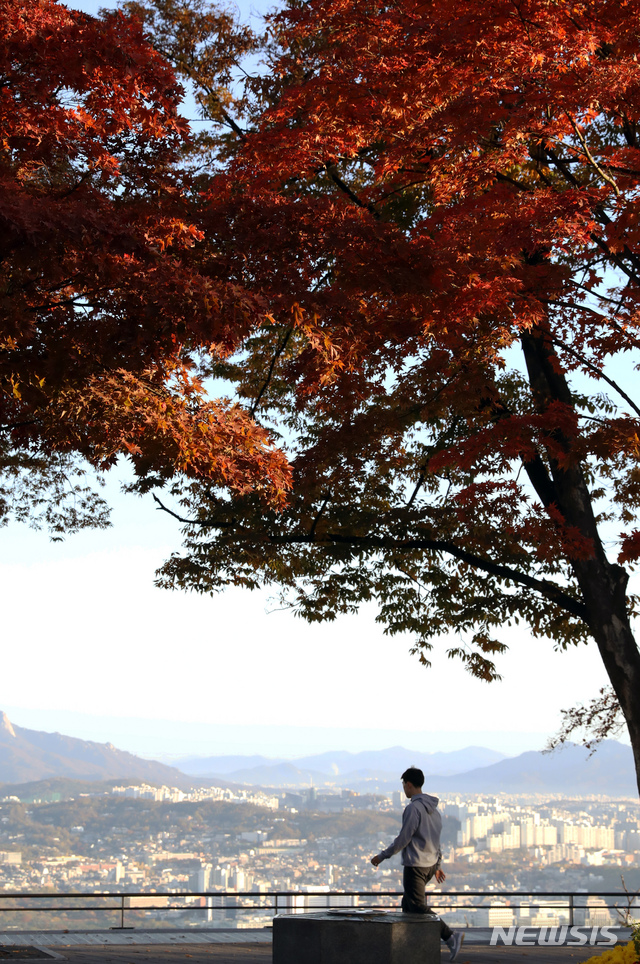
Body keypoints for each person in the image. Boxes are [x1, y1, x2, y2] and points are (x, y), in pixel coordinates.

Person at [371, 766, 464, 962]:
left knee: (417, 906)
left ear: (410, 785)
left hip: (416, 865)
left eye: (404, 785)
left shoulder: (413, 809)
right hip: (430, 865)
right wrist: (437, 867)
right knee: (408, 905)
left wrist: (382, 856)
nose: (404, 789)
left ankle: (449, 936)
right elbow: (436, 841)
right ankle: (409, 945)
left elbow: (403, 838)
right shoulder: (434, 812)